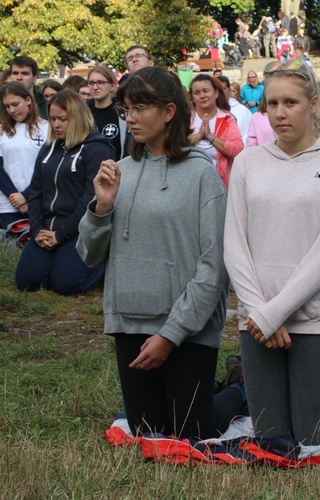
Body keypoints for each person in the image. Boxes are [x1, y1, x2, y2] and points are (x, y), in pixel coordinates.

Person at [76, 66, 244, 439]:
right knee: (147, 431)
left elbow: (215, 265)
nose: (130, 118)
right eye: (126, 109)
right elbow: (88, 255)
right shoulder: (118, 171)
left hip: (188, 327)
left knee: (190, 432)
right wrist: (101, 209)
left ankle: (237, 390)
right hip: (131, 322)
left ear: (169, 112)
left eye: (140, 108)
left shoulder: (202, 175)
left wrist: (171, 334)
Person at [224, 61, 320, 447]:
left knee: (311, 438)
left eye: (290, 102)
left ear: (313, 103)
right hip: (257, 318)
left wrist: (277, 311)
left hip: (313, 317)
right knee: (271, 439)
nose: (280, 113)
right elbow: (235, 243)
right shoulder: (248, 162)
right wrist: (259, 312)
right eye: (272, 104)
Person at [15, 90, 113, 294]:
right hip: (47, 227)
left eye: (62, 119)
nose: (56, 125)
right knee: (27, 282)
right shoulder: (49, 147)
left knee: (67, 285)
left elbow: (90, 198)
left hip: (80, 231)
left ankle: (104, 260)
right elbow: (36, 190)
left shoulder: (97, 149)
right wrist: (37, 230)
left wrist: (61, 235)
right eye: (52, 119)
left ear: (77, 118)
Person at [0, 83, 49, 229]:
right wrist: (14, 196)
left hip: (40, 200)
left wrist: (26, 195)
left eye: (15, 104)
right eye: (7, 106)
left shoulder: (46, 128)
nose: (12, 110)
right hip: (9, 204)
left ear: (28, 100)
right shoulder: (2, 131)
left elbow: (49, 167)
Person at [188, 74, 244, 188]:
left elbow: (238, 150)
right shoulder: (185, 119)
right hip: (190, 185)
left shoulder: (227, 119)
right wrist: (198, 136)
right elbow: (174, 146)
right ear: (192, 97)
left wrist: (210, 137)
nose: (202, 96)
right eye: (197, 92)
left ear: (216, 93)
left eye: (206, 91)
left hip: (220, 185)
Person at [86, 66, 128, 161]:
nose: (95, 87)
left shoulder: (123, 112)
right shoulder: (83, 113)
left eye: (101, 82)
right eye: (91, 83)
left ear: (112, 86)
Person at [217, 76, 251, 148]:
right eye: (218, 89)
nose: (221, 92)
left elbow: (249, 132)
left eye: (224, 89)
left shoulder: (243, 110)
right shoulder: (209, 110)